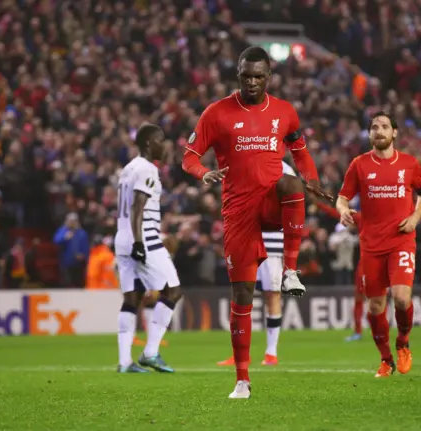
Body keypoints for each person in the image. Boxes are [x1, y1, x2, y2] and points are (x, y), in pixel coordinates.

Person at [182, 46, 328, 399]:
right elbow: (188, 157)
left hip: (271, 201)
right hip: (239, 212)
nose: (252, 81)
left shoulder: (284, 111)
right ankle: (243, 379)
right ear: (238, 73)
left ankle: (290, 270)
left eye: (258, 76)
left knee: (292, 184)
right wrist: (203, 173)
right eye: (246, 75)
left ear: (269, 77)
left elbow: (300, 151)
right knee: (242, 295)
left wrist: (313, 179)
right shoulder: (216, 114)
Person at [336, 112, 421, 378]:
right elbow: (342, 197)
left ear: (395, 132)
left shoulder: (410, 164)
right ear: (369, 135)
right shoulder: (359, 164)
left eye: (385, 126)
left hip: (401, 240)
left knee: (401, 298)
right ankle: (386, 359)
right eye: (374, 127)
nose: (379, 131)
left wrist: (415, 217)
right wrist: (343, 209)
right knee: (376, 306)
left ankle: (403, 342)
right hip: (371, 244)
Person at [114, 123, 182, 373]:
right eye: (159, 140)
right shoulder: (147, 169)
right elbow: (137, 208)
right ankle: (151, 352)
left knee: (131, 298)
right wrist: (139, 242)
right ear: (147, 144)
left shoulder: (128, 168)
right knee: (173, 291)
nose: (164, 145)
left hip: (121, 238)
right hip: (142, 237)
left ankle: (124, 362)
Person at [217, 161, 297, 367]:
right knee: (240, 294)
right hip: (246, 236)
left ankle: (271, 352)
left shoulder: (284, 169)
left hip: (271, 240)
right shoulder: (245, 160)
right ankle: (240, 353)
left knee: (272, 295)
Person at [314, 200, 365, 341]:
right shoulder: (363, 217)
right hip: (368, 263)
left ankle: (364, 331)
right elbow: (337, 213)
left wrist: (318, 204)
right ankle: (359, 331)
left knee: (372, 299)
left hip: (374, 263)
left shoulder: (364, 217)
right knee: (363, 298)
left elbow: (336, 213)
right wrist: (319, 204)